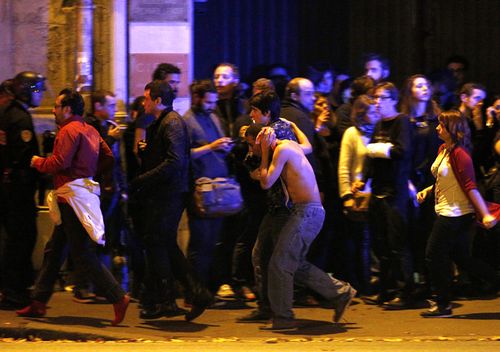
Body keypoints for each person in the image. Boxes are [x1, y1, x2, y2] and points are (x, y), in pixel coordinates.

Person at [16, 88, 129, 326]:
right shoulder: (90, 129)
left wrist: (38, 162)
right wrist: (88, 174)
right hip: (81, 195)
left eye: (57, 106)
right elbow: (108, 157)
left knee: (83, 254)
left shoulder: (68, 130)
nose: (55, 110)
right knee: (54, 251)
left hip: (71, 198)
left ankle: (118, 297)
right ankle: (38, 301)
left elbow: (60, 162)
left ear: (67, 109)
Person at [246, 124, 355, 330]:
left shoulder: (282, 149)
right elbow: (308, 145)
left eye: (253, 145)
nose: (252, 150)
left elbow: (266, 182)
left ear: (263, 139)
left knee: (279, 263)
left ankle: (283, 318)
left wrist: (265, 152)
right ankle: (341, 293)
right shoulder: (290, 146)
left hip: (308, 212)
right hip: (305, 212)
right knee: (292, 263)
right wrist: (296, 126)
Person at [129, 80, 212, 322]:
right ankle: (173, 298)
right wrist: (147, 152)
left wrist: (143, 178)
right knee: (160, 242)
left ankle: (184, 294)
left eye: (146, 98)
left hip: (170, 194)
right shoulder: (163, 122)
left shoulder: (173, 122)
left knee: (158, 241)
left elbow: (175, 162)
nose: (143, 102)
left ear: (157, 100)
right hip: (163, 193)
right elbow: (165, 155)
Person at [417, 110, 497, 317]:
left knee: (433, 254)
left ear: (452, 129)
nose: (437, 128)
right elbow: (444, 179)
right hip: (448, 210)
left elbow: (471, 187)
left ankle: (443, 304)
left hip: (455, 214)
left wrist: (485, 214)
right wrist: (428, 190)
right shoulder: (444, 149)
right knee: (462, 259)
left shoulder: (461, 155)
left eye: (441, 125)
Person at [357, 82, 414, 308]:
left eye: (381, 98)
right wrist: (363, 179)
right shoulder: (380, 124)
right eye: (375, 98)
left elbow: (402, 151)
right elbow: (370, 158)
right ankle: (384, 290)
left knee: (397, 244)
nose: (376, 102)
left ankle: (404, 291)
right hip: (378, 191)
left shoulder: (402, 123)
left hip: (395, 193)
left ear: (393, 99)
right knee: (379, 244)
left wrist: (377, 150)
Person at [0, 71, 45, 309]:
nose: (40, 95)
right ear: (26, 90)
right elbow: (24, 158)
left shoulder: (7, 113)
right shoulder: (20, 119)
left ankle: (11, 288)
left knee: (13, 239)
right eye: (37, 89)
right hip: (19, 188)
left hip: (9, 187)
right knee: (23, 238)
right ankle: (14, 291)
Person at [338, 95, 380, 295]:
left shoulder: (379, 133)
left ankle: (372, 280)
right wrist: (346, 195)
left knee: (373, 239)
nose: (376, 114)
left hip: (377, 194)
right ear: (362, 113)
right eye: (372, 111)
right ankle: (361, 283)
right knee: (360, 241)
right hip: (359, 194)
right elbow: (344, 167)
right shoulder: (352, 133)